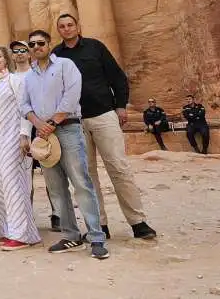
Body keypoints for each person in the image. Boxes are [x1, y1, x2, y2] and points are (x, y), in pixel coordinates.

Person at [53, 14, 157, 240]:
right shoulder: (56, 55)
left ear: (77, 26)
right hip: (74, 121)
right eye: (62, 26)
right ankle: (99, 225)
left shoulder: (95, 47)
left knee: (118, 167)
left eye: (70, 25)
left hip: (103, 114)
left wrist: (120, 106)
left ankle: (138, 222)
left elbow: (117, 77)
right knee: (86, 174)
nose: (67, 29)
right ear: (58, 30)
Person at [20, 29, 109, 260]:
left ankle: (96, 236)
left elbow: (72, 95)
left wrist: (51, 121)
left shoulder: (65, 65)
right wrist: (39, 124)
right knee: (56, 187)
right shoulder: (28, 77)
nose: (37, 47)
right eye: (32, 44)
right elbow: (24, 105)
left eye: (41, 43)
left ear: (49, 44)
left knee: (81, 182)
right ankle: (71, 234)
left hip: (67, 128)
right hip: (44, 134)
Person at [0, 46, 40, 250]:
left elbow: (26, 108)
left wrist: (25, 134)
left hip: (12, 136)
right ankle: (8, 230)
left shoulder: (15, 81)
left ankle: (21, 235)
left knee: (12, 183)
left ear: (6, 59)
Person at [13, 39, 60, 231]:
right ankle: (26, 213)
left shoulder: (38, 73)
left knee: (51, 171)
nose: (20, 53)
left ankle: (57, 213)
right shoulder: (10, 77)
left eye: (24, 50)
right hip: (20, 128)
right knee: (24, 175)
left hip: (42, 125)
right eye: (16, 51)